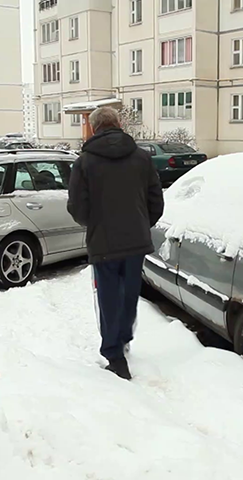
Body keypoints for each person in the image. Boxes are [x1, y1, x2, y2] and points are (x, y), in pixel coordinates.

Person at [67, 106, 164, 380]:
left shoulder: (84, 162)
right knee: (129, 292)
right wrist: (142, 223)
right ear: (119, 123)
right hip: (136, 242)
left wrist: (94, 224)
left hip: (103, 243)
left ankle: (114, 354)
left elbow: (77, 206)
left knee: (108, 296)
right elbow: (156, 200)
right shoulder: (142, 158)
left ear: (94, 128)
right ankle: (123, 337)